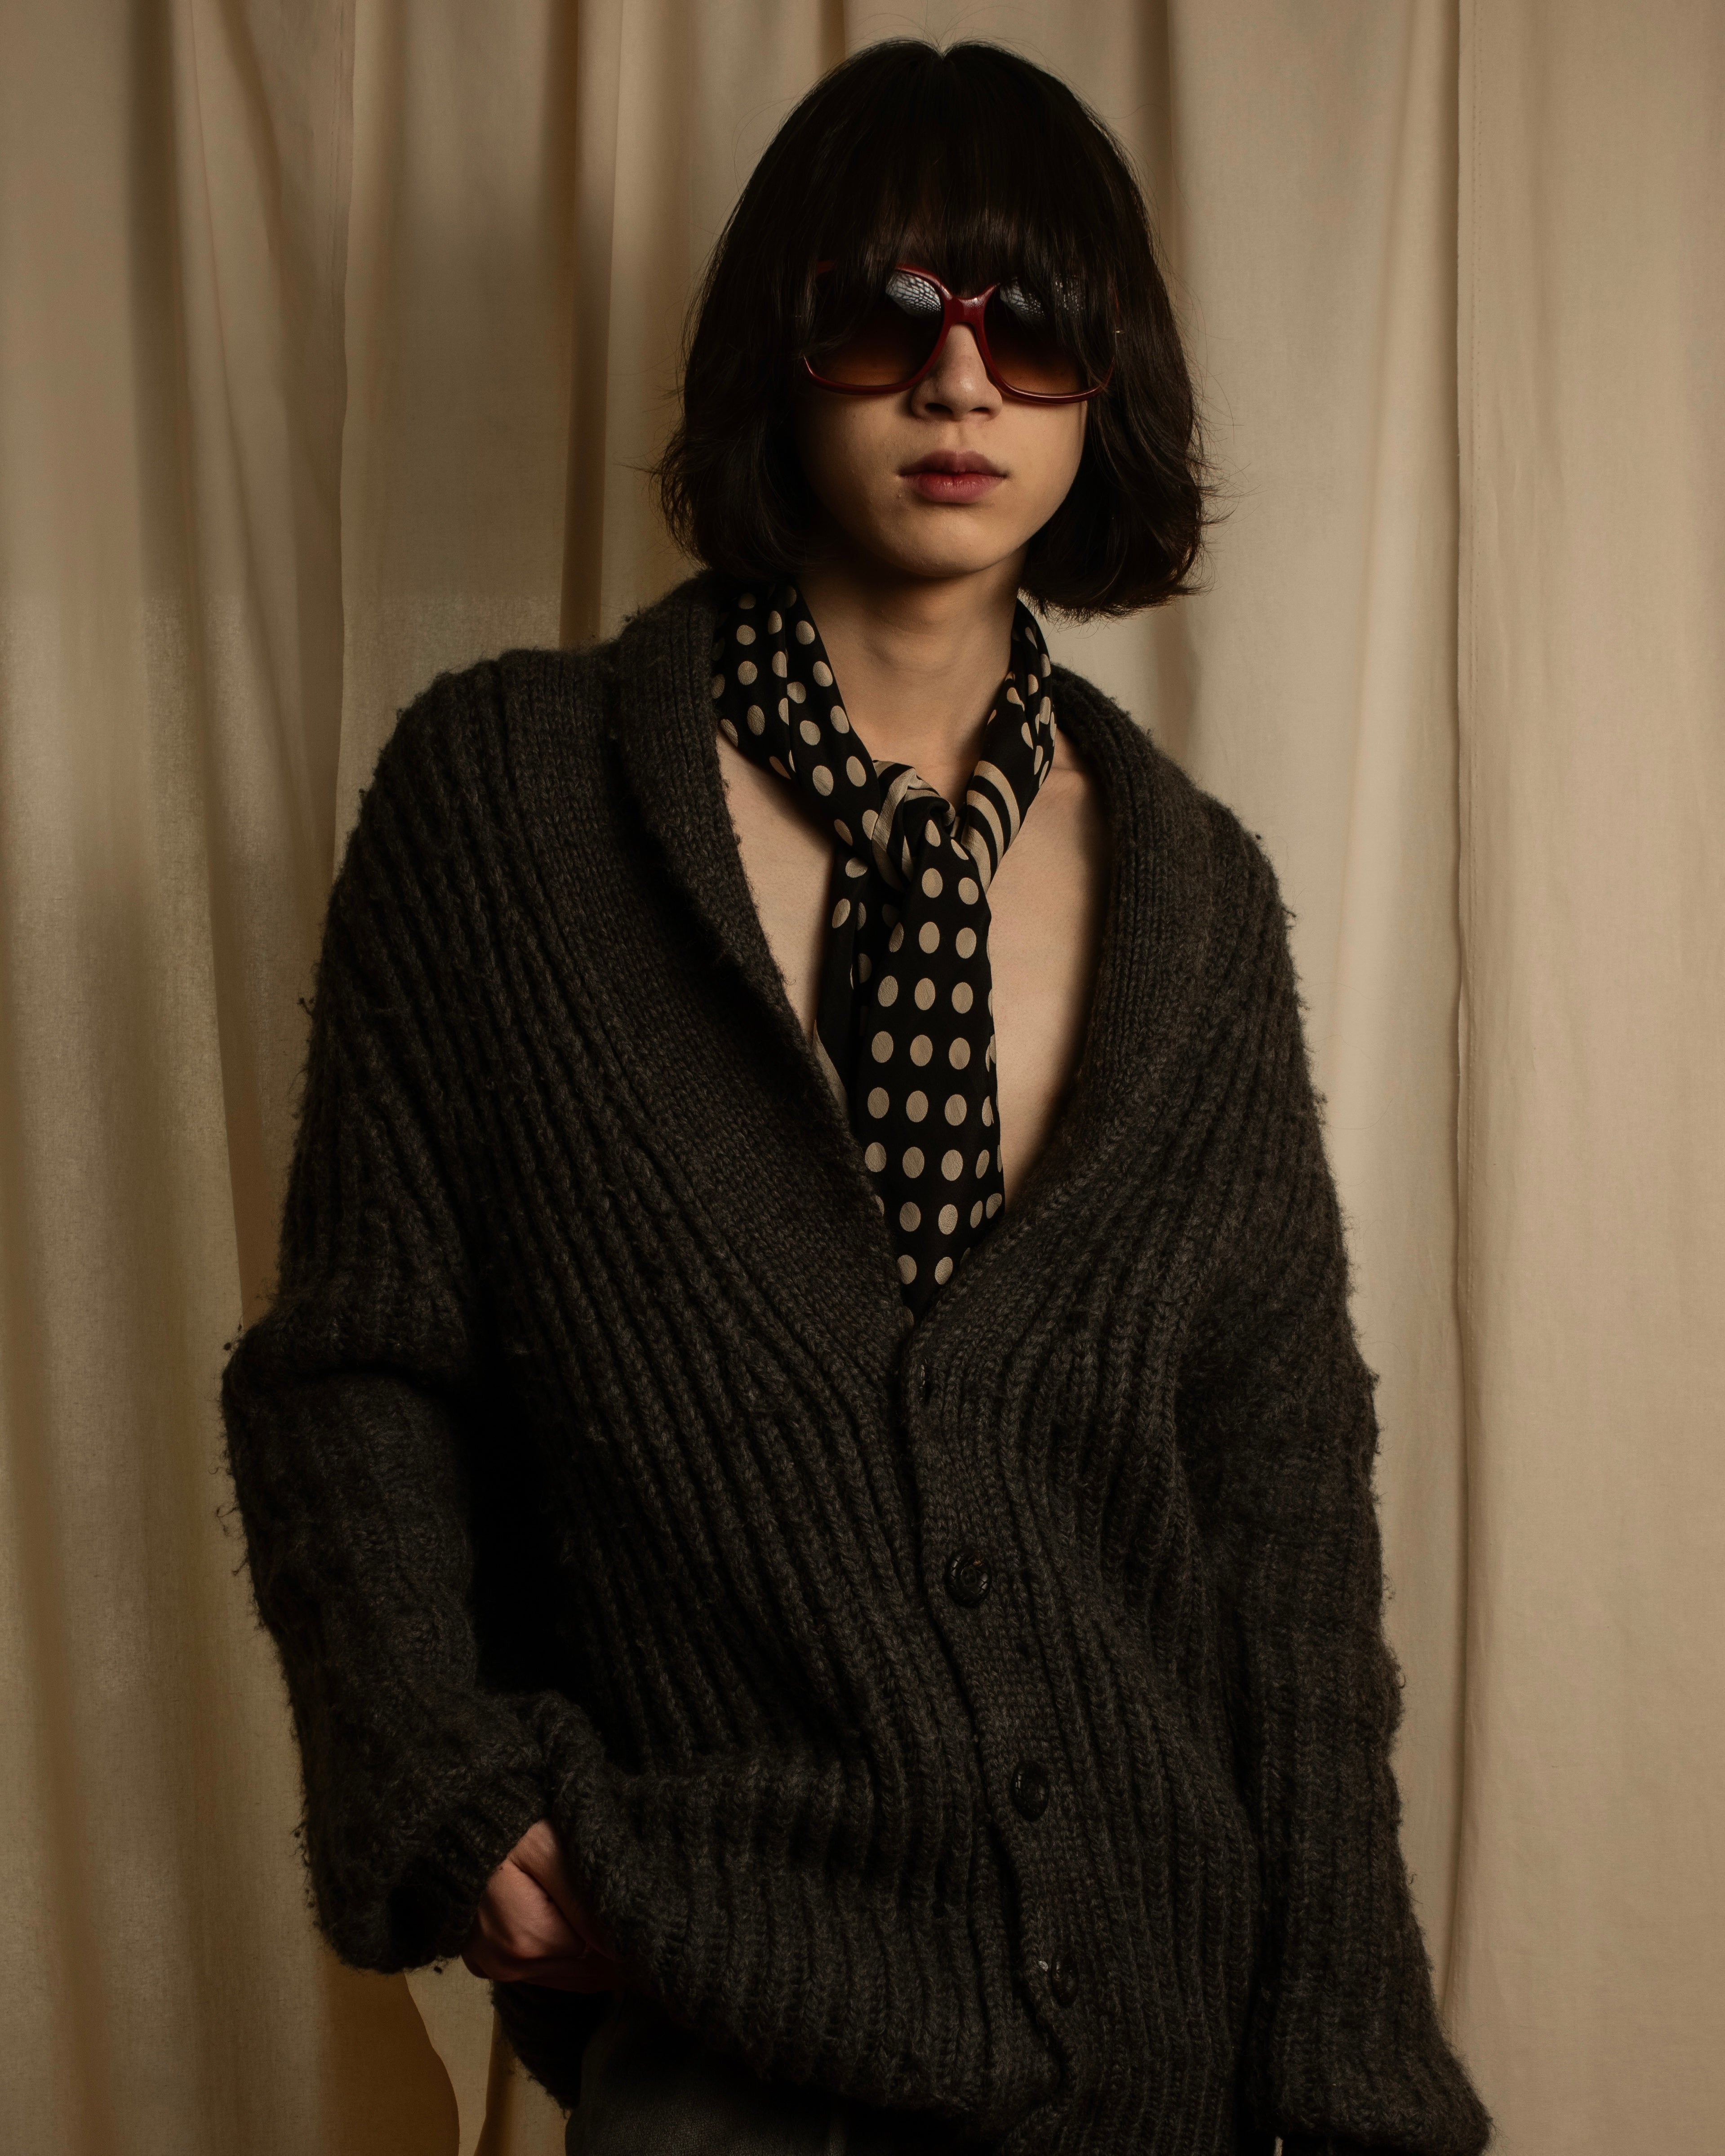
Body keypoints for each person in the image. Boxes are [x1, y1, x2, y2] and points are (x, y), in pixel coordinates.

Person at [222, 37, 1491, 2156]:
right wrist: (432, 1773)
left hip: (1161, 2059)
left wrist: (1359, 2087)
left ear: (1108, 380)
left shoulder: (1201, 905)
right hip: (730, 2023)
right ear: (777, 349)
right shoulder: (508, 809)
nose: (959, 380)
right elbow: (357, 1369)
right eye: (885, 311)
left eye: (1032, 323)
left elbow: (1283, 1527)